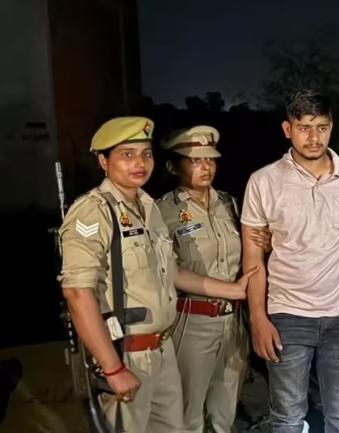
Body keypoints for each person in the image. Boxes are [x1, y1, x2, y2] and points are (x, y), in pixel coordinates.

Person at [59, 117, 255, 433]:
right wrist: (112, 368)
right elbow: (77, 292)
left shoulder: (148, 208)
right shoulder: (95, 211)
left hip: (162, 350)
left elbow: (172, 272)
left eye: (145, 154)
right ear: (103, 161)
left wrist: (233, 290)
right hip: (126, 351)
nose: (139, 163)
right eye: (127, 154)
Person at [240, 89, 339, 433]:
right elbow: (253, 256)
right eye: (304, 127)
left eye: (321, 127)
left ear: (331, 127)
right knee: (288, 417)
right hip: (288, 314)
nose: (313, 137)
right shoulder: (263, 181)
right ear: (287, 129)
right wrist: (258, 317)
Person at [157, 125, 270, 433]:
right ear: (173, 167)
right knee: (188, 414)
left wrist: (267, 242)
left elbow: (251, 248)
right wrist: (232, 290)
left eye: (210, 159)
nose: (206, 166)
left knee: (225, 409)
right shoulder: (163, 212)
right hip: (192, 322)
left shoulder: (231, 204)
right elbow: (170, 272)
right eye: (195, 160)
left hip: (233, 323)